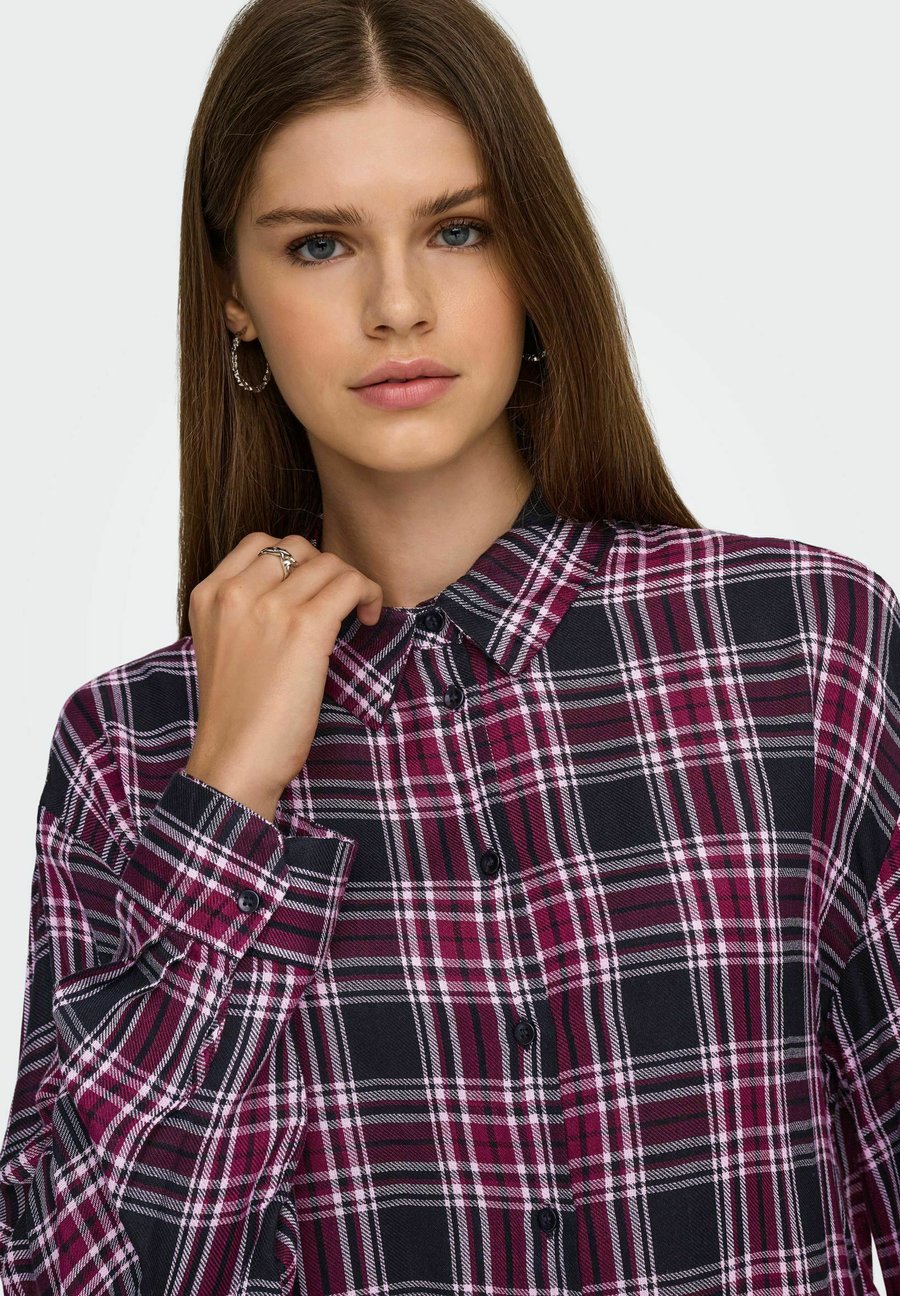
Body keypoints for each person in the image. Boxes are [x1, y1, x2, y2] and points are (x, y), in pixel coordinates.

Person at [1, 0, 898, 1292]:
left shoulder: (806, 651)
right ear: (235, 298)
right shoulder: (133, 752)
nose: (398, 306)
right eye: (319, 245)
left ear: (535, 254)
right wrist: (229, 801)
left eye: (458, 230)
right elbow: (71, 1274)